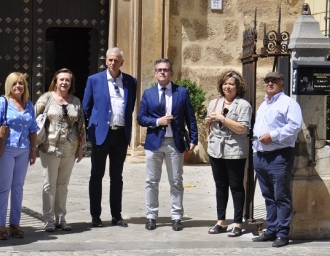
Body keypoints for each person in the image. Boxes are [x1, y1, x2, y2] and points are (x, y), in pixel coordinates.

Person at [137, 58, 198, 231]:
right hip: (154, 142)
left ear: (171, 73)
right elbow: (140, 118)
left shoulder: (182, 92)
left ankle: (177, 216)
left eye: (165, 70)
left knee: (176, 181)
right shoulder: (148, 94)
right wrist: (158, 121)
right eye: (159, 70)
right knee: (151, 181)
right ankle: (151, 216)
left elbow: (190, 117)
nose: (162, 72)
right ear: (155, 73)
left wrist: (194, 139)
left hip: (175, 142)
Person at [83, 47, 137, 227]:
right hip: (101, 135)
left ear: (122, 62)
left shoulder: (130, 81)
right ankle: (95, 216)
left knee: (117, 176)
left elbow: (129, 107)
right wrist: (96, 125)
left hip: (120, 134)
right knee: (96, 175)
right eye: (110, 60)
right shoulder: (94, 80)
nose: (113, 63)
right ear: (106, 61)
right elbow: (87, 107)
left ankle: (116, 215)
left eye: (116, 60)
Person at [251, 71, 302, 247]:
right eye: (267, 81)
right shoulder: (264, 104)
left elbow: (295, 126)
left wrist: (273, 135)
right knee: (268, 196)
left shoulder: (289, 103)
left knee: (281, 196)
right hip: (261, 156)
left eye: (274, 80)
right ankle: (271, 230)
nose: (270, 83)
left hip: (279, 156)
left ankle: (282, 233)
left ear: (282, 83)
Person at [0, 72, 38, 240]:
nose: (18, 86)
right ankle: (1, 225)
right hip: (6, 149)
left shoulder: (29, 104)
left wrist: (33, 150)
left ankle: (15, 222)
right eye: (14, 83)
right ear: (9, 85)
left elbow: (33, 129)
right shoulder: (3, 102)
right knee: (4, 187)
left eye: (21, 83)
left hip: (23, 149)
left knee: (18, 187)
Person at [34, 68, 86, 232]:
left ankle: (61, 218)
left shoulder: (75, 101)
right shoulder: (46, 98)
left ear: (71, 83)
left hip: (69, 149)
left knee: (63, 185)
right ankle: (48, 219)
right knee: (49, 184)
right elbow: (34, 119)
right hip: (49, 147)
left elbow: (81, 124)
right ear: (55, 81)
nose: (64, 82)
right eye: (61, 79)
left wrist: (80, 147)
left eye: (67, 80)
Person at [205, 70, 252, 237]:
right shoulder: (215, 103)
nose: (227, 86)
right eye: (225, 83)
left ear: (238, 87)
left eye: (231, 83)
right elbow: (208, 123)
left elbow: (242, 129)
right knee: (220, 186)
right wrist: (209, 120)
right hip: (216, 149)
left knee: (236, 186)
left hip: (235, 150)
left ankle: (238, 222)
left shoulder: (243, 105)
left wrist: (222, 118)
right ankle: (221, 221)